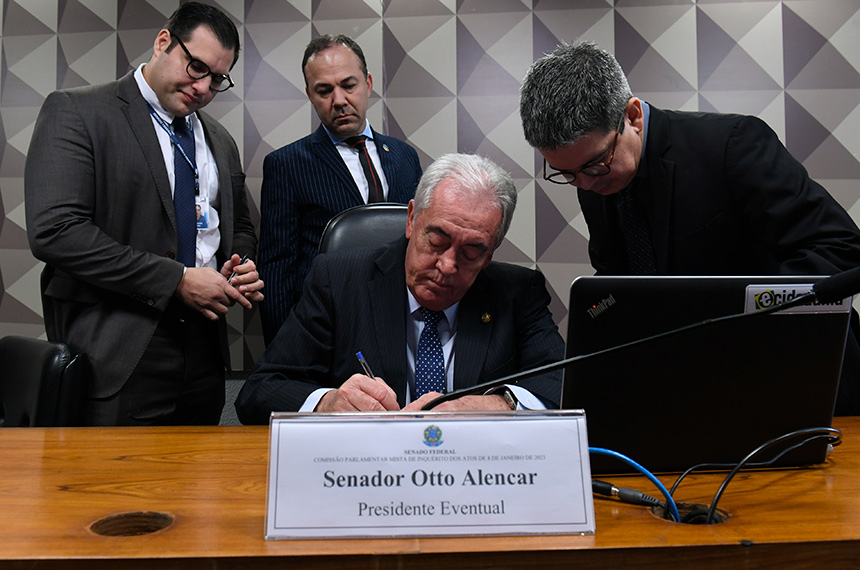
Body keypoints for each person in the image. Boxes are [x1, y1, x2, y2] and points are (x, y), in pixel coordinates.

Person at [519, 41, 860, 414]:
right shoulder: (597, 179)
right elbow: (620, 281)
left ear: (632, 116)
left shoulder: (732, 144)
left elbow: (840, 248)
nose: (583, 184)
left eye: (595, 164)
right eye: (565, 173)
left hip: (806, 382)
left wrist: (743, 316)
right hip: (699, 392)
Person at [25, 2, 263, 426]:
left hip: (205, 351)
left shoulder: (219, 138)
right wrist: (175, 280)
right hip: (118, 350)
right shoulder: (77, 111)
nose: (204, 87)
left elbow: (239, 223)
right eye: (196, 67)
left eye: (217, 78)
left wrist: (239, 263)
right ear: (163, 42)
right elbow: (57, 231)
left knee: (195, 487)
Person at [235, 154, 564, 424]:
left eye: (471, 251)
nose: (448, 265)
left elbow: (566, 385)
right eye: (436, 240)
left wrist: (500, 404)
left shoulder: (518, 293)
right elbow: (259, 392)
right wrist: (328, 403)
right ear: (411, 220)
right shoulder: (337, 280)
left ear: (491, 252)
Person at [257, 34, 422, 345]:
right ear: (309, 95)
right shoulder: (286, 163)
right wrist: (283, 349)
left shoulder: (404, 156)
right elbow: (277, 267)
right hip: (324, 327)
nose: (339, 100)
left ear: (368, 83)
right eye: (324, 90)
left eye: (349, 85)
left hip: (400, 322)